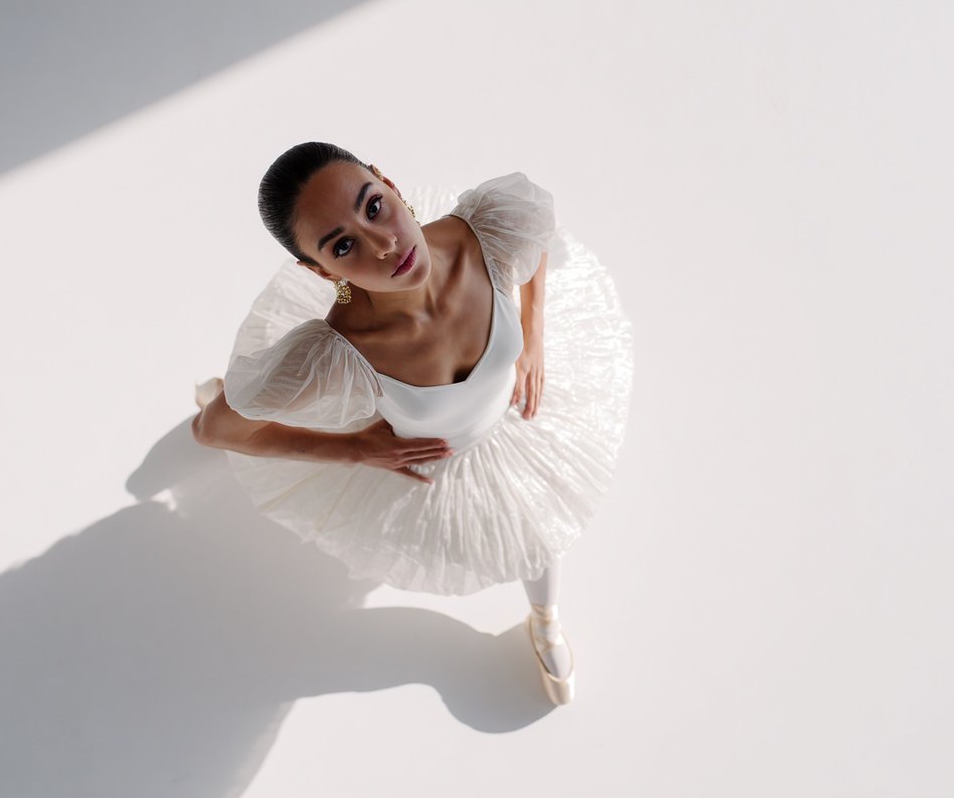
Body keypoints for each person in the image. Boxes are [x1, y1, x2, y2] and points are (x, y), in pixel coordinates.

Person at [192, 142, 633, 706]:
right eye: (344, 245)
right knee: (258, 400)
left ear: (390, 184)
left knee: (538, 528)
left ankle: (544, 616)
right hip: (428, 456)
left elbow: (537, 232)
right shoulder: (337, 351)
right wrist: (353, 450)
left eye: (374, 206)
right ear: (320, 270)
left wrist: (532, 331)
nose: (385, 244)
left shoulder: (492, 228)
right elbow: (214, 432)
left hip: (508, 423)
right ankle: (225, 390)